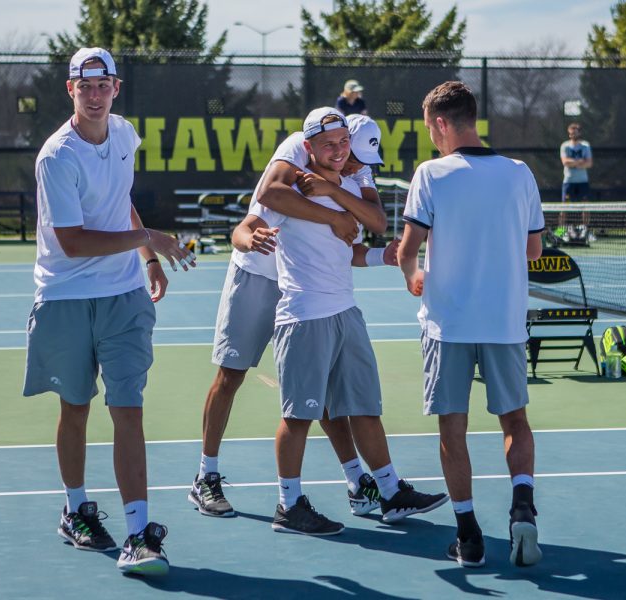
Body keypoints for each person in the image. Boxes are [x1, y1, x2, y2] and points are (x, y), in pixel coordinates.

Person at [24, 47, 197, 576]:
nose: (95, 96)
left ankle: (140, 533)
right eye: (85, 87)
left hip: (124, 297)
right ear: (70, 89)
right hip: (65, 297)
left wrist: (147, 259)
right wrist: (149, 237)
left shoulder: (124, 134)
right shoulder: (57, 156)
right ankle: (76, 510)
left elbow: (121, 200)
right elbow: (73, 242)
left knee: (128, 407)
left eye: (104, 87)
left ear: (115, 89)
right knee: (75, 408)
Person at [190, 113, 398, 520]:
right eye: (348, 156)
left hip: (308, 290)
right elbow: (270, 196)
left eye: (358, 162)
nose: (355, 167)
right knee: (231, 375)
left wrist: (340, 194)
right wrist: (335, 214)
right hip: (258, 272)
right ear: (322, 146)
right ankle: (206, 476)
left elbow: (373, 219)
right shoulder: (295, 148)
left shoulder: (354, 169)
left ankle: (357, 481)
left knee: (320, 392)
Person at [261, 107, 448, 536]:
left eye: (344, 143)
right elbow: (263, 205)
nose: (342, 152)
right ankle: (288, 505)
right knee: (298, 417)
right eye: (331, 145)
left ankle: (389, 491)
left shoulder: (345, 184)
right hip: (304, 314)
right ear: (309, 147)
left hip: (345, 312)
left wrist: (382, 249)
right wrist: (329, 210)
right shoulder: (292, 182)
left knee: (366, 407)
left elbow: (362, 241)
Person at [398, 81, 545, 568]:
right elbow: (533, 250)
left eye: (430, 130)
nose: (431, 140)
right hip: (504, 322)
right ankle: (522, 506)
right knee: (516, 422)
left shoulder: (430, 174)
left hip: (448, 325)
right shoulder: (520, 173)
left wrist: (412, 274)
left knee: (452, 431)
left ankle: (469, 537)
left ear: (441, 123)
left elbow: (406, 249)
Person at [558, 122, 593, 240]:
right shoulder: (565, 146)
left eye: (575, 133)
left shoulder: (585, 145)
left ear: (579, 133)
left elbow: (589, 163)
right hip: (568, 182)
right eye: (570, 133)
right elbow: (565, 162)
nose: (572, 135)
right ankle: (561, 231)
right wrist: (580, 162)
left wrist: (573, 163)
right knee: (564, 208)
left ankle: (585, 230)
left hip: (583, 182)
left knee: (585, 207)